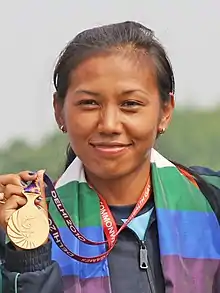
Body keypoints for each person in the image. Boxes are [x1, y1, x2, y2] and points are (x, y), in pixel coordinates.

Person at [0, 21, 219, 293]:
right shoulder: (22, 224)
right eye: (89, 103)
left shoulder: (211, 203)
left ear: (165, 111)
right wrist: (29, 256)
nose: (109, 124)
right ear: (59, 111)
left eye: (130, 104)